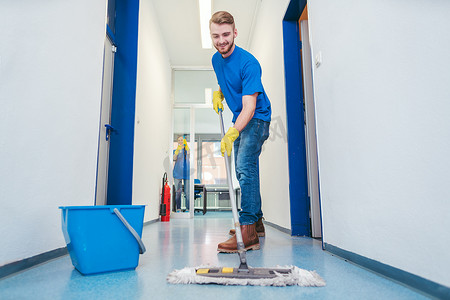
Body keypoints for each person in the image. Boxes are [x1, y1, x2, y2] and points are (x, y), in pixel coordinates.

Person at [210, 11, 271, 253]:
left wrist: (232, 132)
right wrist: (220, 93)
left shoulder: (249, 62)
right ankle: (257, 221)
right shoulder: (216, 60)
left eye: (226, 34)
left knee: (245, 166)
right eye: (216, 36)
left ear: (235, 33)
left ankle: (248, 232)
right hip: (240, 117)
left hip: (256, 118)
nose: (221, 40)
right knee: (245, 169)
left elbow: (250, 106)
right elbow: (227, 80)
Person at [173, 136, 190, 212]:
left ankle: (188, 208)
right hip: (177, 174)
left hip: (186, 174)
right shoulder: (175, 150)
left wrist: (186, 146)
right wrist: (177, 151)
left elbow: (189, 154)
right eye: (179, 140)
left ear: (184, 141)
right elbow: (174, 158)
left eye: (182, 140)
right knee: (178, 192)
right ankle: (178, 208)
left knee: (187, 192)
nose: (180, 141)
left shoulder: (187, 151)